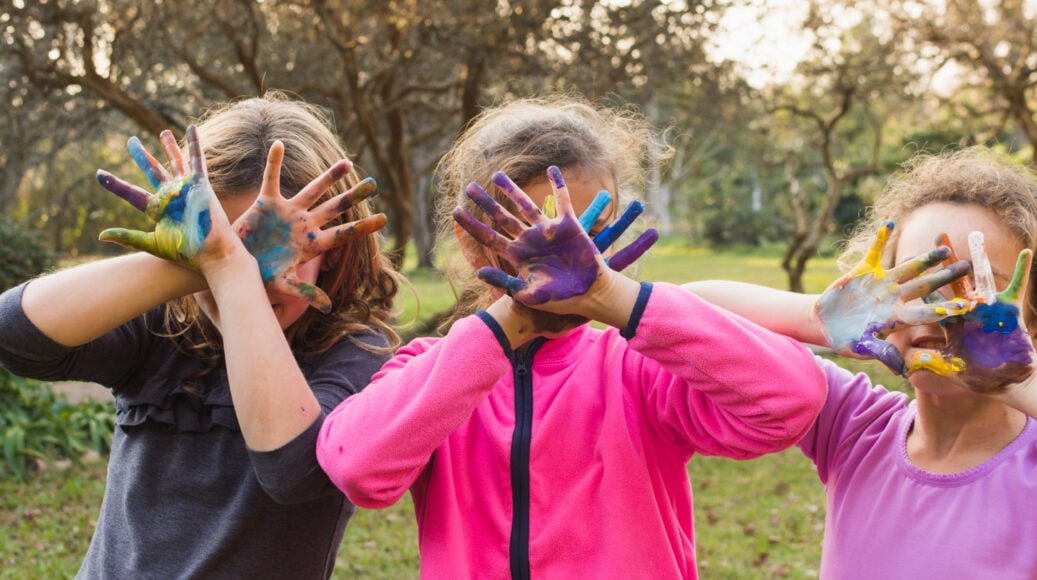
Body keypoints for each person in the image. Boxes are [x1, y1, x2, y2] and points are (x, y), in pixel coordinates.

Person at [315, 96, 828, 578]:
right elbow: (358, 469)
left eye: (590, 230)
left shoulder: (637, 370)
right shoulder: (434, 372)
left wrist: (619, 298)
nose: (570, 254)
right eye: (533, 232)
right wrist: (511, 319)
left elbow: (791, 399)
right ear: (475, 246)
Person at [0, 93, 401, 578]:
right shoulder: (165, 328)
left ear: (335, 248)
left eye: (278, 252)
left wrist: (228, 266)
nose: (249, 277)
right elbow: (15, 337)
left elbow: (291, 471)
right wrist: (207, 262)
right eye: (223, 242)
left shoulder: (358, 355)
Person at [685, 146, 1037, 578]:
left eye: (976, 285)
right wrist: (812, 317)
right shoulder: (852, 423)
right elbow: (685, 312)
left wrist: (1029, 377)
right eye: (913, 278)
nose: (937, 305)